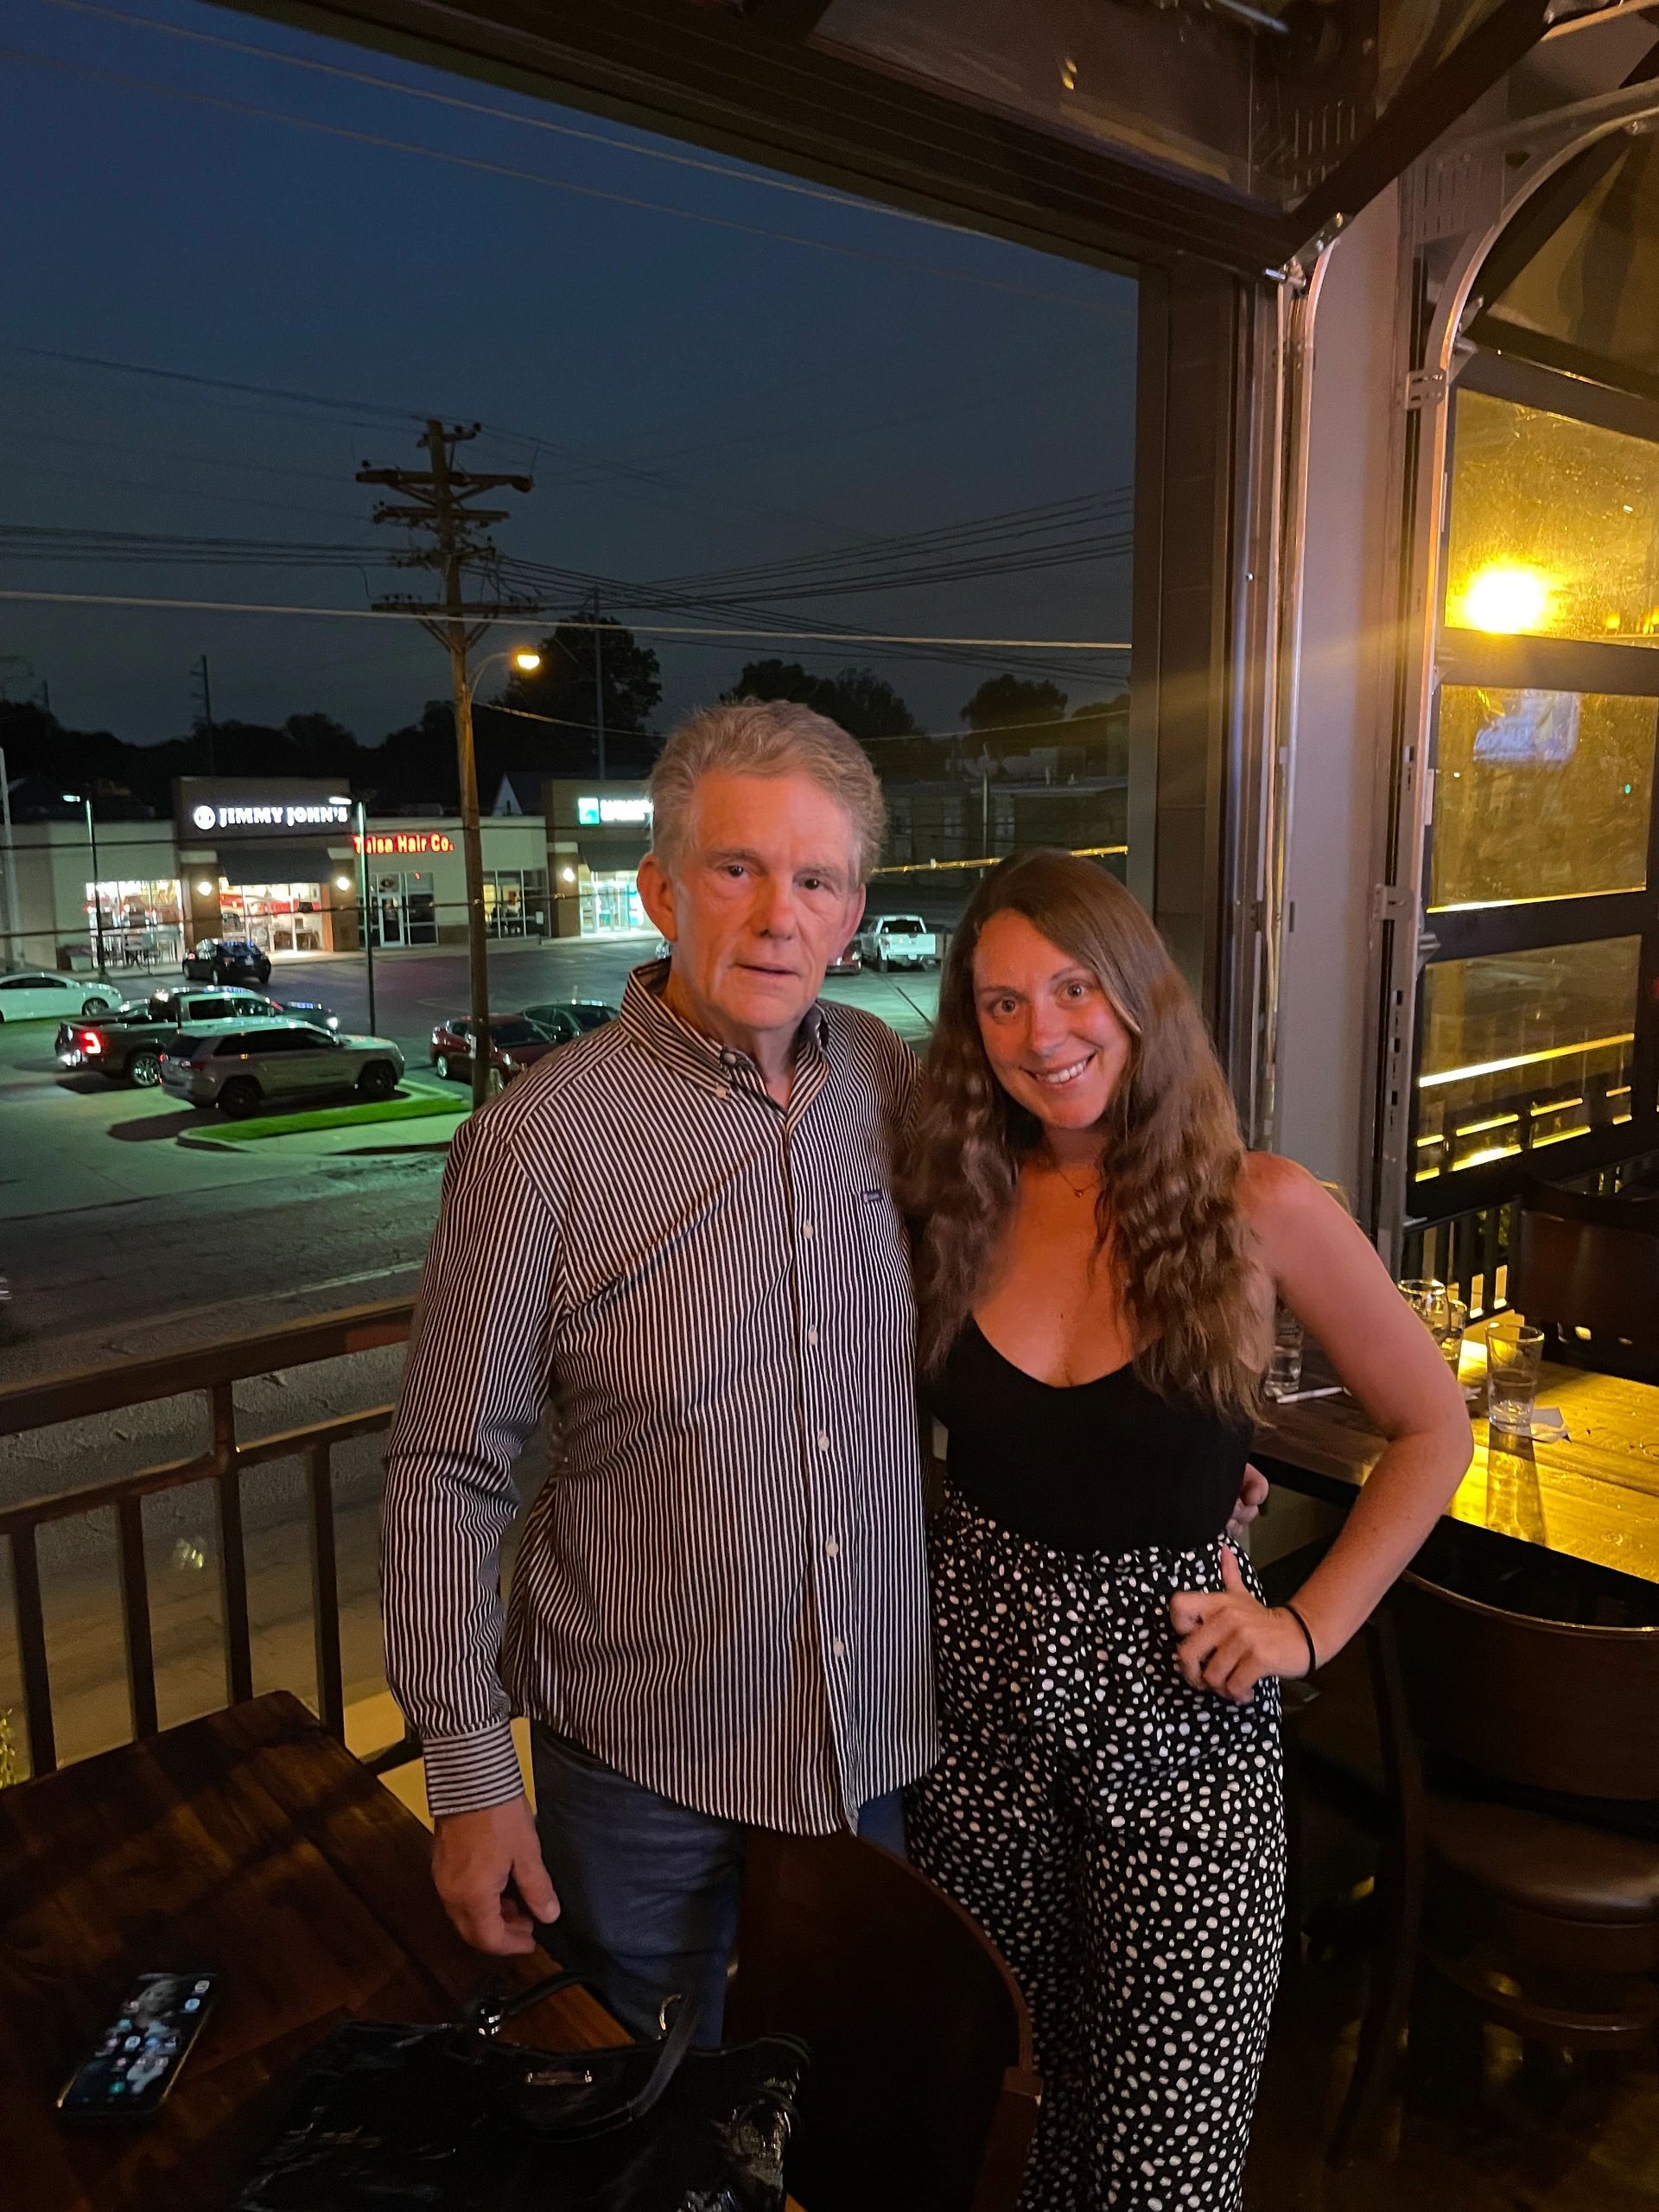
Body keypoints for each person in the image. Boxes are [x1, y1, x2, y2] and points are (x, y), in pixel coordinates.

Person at [899, 849, 1471, 2212]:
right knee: (998, 2116)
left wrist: (1304, 1628)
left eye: (1074, 988)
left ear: (1140, 993)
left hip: (1181, 1725)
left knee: (1165, 2147)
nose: (1043, 1032)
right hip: (975, 1714)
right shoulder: (959, 1199)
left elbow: (1433, 1429)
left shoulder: (1259, 1203)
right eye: (1001, 1002)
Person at [381, 699, 934, 2041]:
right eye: (738, 869)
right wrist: (470, 1779)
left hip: (874, 1741)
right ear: (661, 891)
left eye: (817, 881)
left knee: (845, 2082)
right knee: (646, 2092)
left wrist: (1178, 1452)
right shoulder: (539, 1142)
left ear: (853, 912)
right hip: (645, 1766)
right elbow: (448, 1466)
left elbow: (1018, 1293)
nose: (779, 916)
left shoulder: (884, 1075)